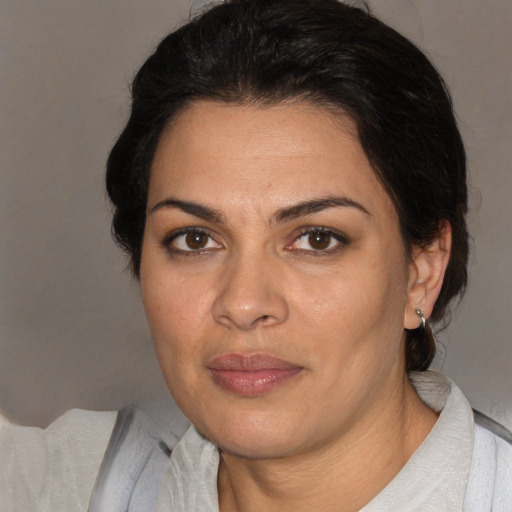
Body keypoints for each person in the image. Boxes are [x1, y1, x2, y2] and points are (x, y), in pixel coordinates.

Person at [1, 0, 511, 510]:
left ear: (421, 271)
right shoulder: (63, 486)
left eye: (316, 239)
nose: (244, 303)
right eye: (195, 239)